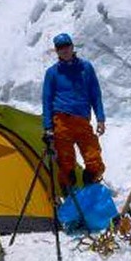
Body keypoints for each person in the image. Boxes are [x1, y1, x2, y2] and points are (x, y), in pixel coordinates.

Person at [42, 33, 106, 194]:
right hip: (61, 121)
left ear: (72, 46)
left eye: (66, 46)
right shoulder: (52, 73)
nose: (64, 50)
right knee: (65, 163)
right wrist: (48, 127)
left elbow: (95, 94)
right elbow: (47, 100)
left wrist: (100, 118)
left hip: (82, 121)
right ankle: (71, 198)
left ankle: (89, 192)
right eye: (60, 48)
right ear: (56, 51)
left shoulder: (86, 68)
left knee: (94, 160)